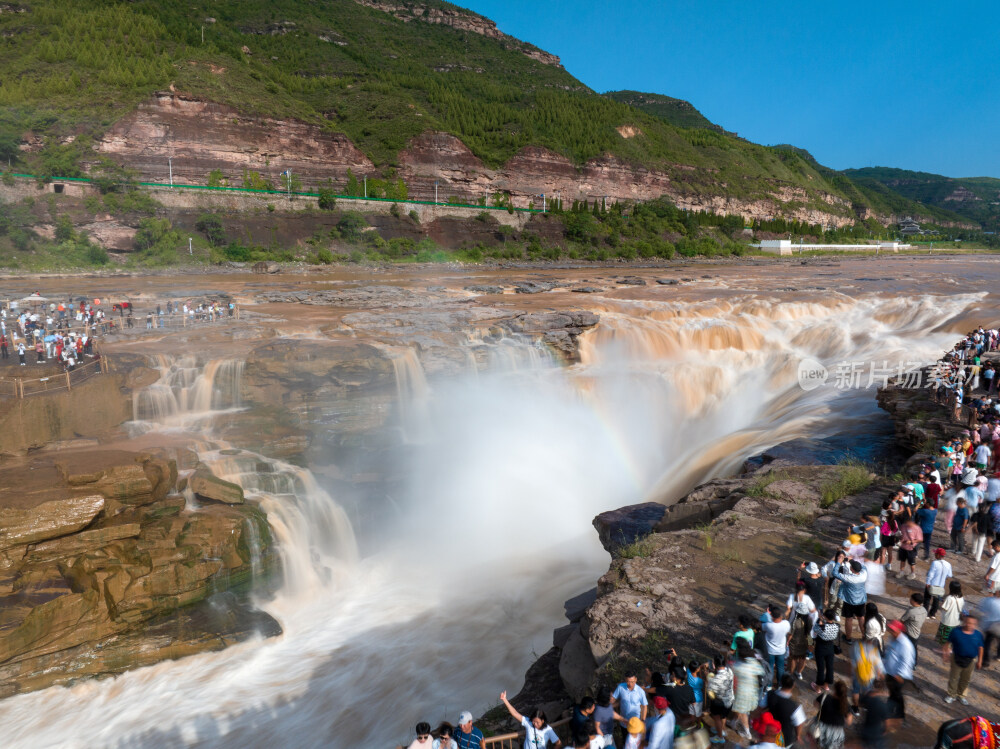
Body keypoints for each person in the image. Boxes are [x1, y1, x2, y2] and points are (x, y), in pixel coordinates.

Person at [943, 614, 985, 705]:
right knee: (953, 678)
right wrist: (946, 654)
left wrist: (980, 661)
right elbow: (947, 643)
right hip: (956, 658)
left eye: (972, 623)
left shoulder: (978, 635)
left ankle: (961, 695)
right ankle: (951, 695)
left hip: (971, 660)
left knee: (966, 679)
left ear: (975, 624)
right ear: (964, 622)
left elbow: (981, 648)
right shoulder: (955, 631)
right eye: (967, 622)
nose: (969, 625)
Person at [882, 620, 914, 721]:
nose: (891, 631)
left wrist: (899, 675)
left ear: (899, 631)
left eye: (893, 630)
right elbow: (888, 653)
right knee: (894, 694)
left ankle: (897, 714)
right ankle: (893, 711)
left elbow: (907, 661)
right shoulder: (892, 639)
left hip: (898, 675)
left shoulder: (905, 644)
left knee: (896, 694)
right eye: (890, 629)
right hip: (890, 672)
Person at [732, 642, 764, 741]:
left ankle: (747, 732)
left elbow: (733, 677)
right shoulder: (753, 661)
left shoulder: (738, 665)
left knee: (743, 713)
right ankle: (734, 722)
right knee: (743, 711)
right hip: (753, 690)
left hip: (741, 693)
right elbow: (761, 671)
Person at [765, 673, 806, 749]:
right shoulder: (795, 706)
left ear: (781, 683)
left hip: (768, 733)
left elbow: (760, 708)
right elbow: (799, 723)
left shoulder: (769, 694)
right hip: (784, 738)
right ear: (793, 685)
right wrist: (798, 735)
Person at [834, 560, 868, 642]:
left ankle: (848, 638)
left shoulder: (848, 578)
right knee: (861, 618)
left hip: (849, 601)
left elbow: (834, 573)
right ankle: (864, 636)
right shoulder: (864, 574)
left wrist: (838, 562)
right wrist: (854, 561)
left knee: (849, 619)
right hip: (861, 600)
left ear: (852, 569)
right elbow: (864, 567)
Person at [813, 680, 852, 749]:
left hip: (821, 729)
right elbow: (849, 722)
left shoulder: (825, 697)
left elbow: (815, 705)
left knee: (819, 745)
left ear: (834, 690)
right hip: (836, 733)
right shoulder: (846, 705)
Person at [705, 653, 733, 744]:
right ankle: (722, 730)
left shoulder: (715, 680)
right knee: (723, 716)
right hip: (730, 699)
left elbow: (710, 693)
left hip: (720, 702)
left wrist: (708, 678)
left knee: (717, 718)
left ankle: (720, 737)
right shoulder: (729, 671)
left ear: (715, 664)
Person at [811, 608, 839, 693]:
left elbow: (815, 630)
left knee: (821, 668)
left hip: (821, 648)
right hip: (830, 648)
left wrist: (819, 620)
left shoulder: (822, 627)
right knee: (830, 667)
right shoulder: (837, 626)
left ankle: (818, 687)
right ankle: (826, 685)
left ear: (825, 617)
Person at [762, 605, 791, 685]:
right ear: (780, 615)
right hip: (781, 651)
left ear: (772, 616)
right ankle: (780, 684)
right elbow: (788, 632)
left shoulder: (768, 625)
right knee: (780, 668)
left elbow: (761, 626)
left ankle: (769, 685)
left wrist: (766, 614)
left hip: (770, 651)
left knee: (770, 667)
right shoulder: (786, 624)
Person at [858, 679, 890, 749]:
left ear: (873, 686)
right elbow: (887, 724)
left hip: (865, 730)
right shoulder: (884, 704)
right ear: (883, 688)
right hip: (877, 733)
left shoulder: (868, 697)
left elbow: (859, 702)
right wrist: (885, 731)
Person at [925, 548, 953, 618]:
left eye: (935, 553)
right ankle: (932, 614)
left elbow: (931, 574)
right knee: (936, 600)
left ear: (938, 555)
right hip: (941, 586)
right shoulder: (948, 564)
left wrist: (928, 582)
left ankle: (925, 613)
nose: (934, 554)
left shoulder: (935, 563)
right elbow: (950, 575)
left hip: (932, 584)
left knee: (927, 599)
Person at [936, 580, 966, 646]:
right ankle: (949, 648)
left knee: (944, 636)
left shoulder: (949, 598)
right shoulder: (961, 598)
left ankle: (943, 649)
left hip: (947, 620)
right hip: (956, 620)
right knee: (952, 636)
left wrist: (941, 603)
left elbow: (944, 608)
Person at [898, 593, 927, 661]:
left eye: (911, 599)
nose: (910, 600)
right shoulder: (924, 610)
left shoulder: (911, 611)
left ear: (915, 601)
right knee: (914, 648)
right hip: (917, 633)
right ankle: (914, 662)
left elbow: (902, 621)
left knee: (906, 649)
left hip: (909, 633)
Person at [977, 588, 1000, 667]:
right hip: (998, 626)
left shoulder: (988, 600)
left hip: (988, 625)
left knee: (987, 643)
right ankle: (998, 656)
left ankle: (986, 661)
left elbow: (981, 610)